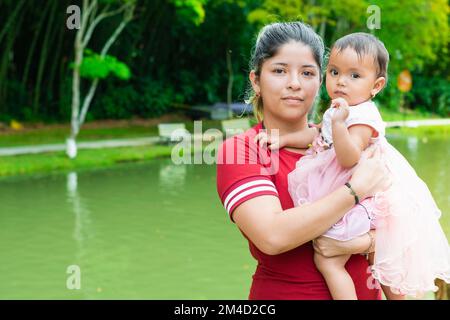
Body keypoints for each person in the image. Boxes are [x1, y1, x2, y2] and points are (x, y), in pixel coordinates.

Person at [254, 32, 450, 299]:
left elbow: (348, 157)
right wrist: (286, 138)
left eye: (354, 76)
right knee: (355, 258)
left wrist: (337, 124)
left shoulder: (363, 116)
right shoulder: (341, 111)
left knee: (336, 261)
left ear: (377, 85)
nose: (341, 82)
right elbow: (318, 137)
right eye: (334, 72)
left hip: (368, 194)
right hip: (352, 190)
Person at [216, 22, 392, 300]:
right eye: (279, 71)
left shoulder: (345, 139)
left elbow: (395, 224)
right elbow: (272, 236)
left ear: (320, 81)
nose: (295, 83)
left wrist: (364, 241)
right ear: (256, 80)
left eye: (307, 73)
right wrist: (354, 191)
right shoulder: (242, 150)